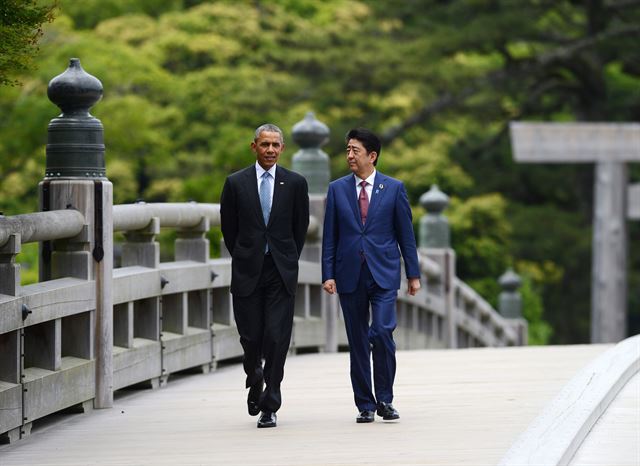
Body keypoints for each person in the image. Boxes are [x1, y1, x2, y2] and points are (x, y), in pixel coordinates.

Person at [322, 127, 421, 423]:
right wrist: (328, 273)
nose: (349, 155)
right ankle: (365, 404)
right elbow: (330, 236)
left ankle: (386, 399)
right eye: (348, 149)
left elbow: (406, 235)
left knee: (381, 331)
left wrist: (413, 274)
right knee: (357, 340)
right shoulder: (337, 189)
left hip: (384, 273)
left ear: (372, 155)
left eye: (356, 150)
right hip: (349, 273)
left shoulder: (393, 188)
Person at [220, 123, 309, 428]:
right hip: (247, 271)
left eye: (275, 145)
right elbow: (228, 229)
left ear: (282, 149)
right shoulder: (235, 183)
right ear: (253, 146)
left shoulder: (295, 183)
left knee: (276, 337)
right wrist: (247, 255)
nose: (270, 150)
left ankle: (271, 402)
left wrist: (284, 259)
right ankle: (254, 377)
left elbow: (300, 229)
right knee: (251, 337)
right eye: (264, 144)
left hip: (280, 271)